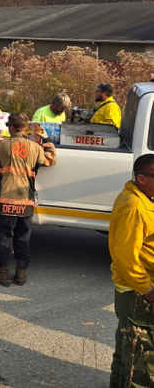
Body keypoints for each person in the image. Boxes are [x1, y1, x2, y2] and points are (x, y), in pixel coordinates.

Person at [0, 112, 56, 287]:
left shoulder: (3, 145)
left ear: (11, 127)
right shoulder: (35, 147)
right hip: (25, 201)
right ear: (25, 128)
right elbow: (51, 159)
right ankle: (21, 273)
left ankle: (3, 272)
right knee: (23, 237)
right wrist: (46, 140)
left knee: (3, 237)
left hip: (3, 200)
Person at [108, 154, 154, 387]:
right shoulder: (134, 206)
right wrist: (147, 289)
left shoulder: (144, 199)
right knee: (140, 359)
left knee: (128, 350)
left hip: (139, 290)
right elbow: (126, 257)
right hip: (137, 293)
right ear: (142, 178)